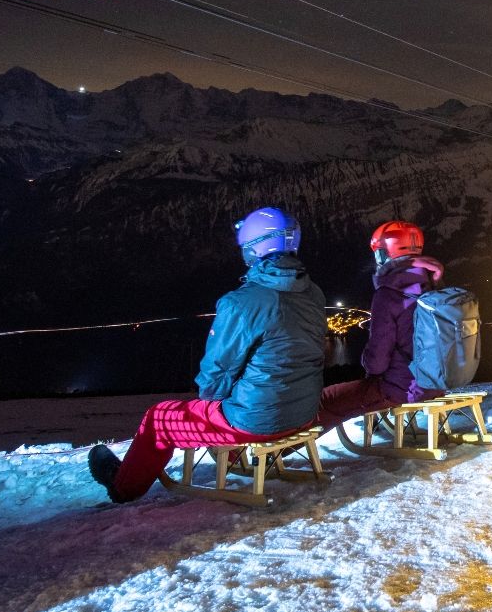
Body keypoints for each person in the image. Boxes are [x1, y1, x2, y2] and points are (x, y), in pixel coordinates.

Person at [88, 206, 327, 503]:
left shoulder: (241, 302)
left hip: (256, 421)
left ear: (254, 249)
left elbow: (216, 376)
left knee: (158, 418)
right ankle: (236, 454)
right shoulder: (314, 294)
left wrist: (212, 401)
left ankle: (124, 485)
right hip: (304, 413)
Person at [314, 220, 445, 430]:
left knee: (327, 399)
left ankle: (282, 452)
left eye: (378, 253)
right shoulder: (434, 287)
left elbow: (376, 363)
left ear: (385, 254)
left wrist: (366, 359)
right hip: (438, 383)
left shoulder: (388, 294)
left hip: (404, 388)